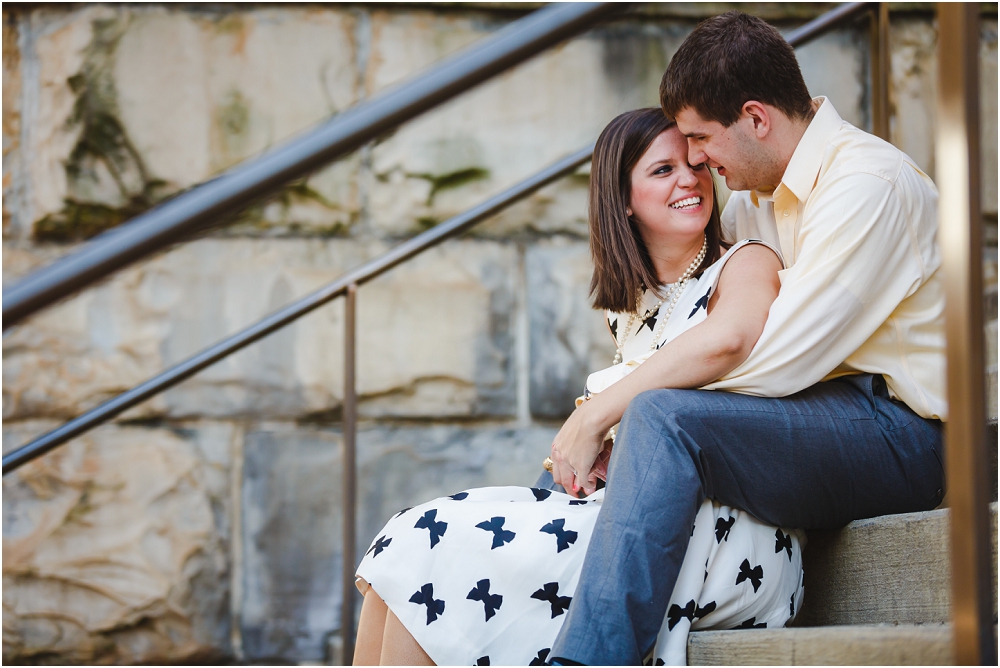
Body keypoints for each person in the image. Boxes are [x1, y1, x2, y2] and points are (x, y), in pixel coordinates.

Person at [546, 11, 945, 666]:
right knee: (649, 418)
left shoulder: (867, 186)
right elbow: (703, 319)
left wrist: (608, 408)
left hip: (905, 435)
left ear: (756, 119)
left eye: (701, 138)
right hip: (825, 415)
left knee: (663, 416)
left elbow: (770, 358)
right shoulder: (757, 197)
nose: (696, 160)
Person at [352, 108, 808, 666]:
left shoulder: (744, 261)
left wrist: (595, 418)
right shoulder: (632, 313)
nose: (690, 179)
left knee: (433, 539)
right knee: (402, 545)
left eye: (694, 165)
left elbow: (729, 339)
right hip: (637, 515)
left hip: (725, 530)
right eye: (663, 171)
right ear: (622, 199)